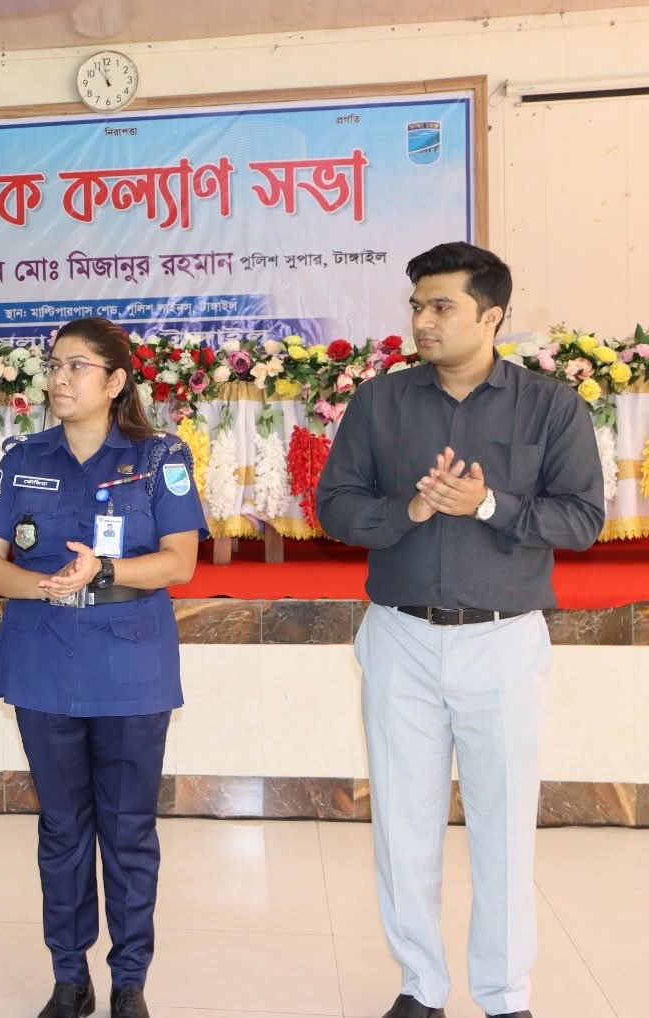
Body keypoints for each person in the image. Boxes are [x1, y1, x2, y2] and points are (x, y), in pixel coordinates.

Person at [316, 242, 605, 1018]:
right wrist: (407, 510)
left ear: (492, 316)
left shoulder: (550, 406)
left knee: (502, 828)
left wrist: (488, 505)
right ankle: (421, 987)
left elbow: (582, 519)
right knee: (403, 824)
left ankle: (505, 995)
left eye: (441, 306)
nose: (423, 320)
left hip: (503, 641)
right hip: (400, 636)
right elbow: (334, 506)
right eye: (417, 305)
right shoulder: (380, 402)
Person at [0, 319, 206, 1018]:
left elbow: (180, 562)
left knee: (127, 830)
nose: (60, 379)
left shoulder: (158, 456)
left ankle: (129, 980)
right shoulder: (22, 457)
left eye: (77, 366)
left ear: (116, 381)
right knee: (63, 829)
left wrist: (102, 573)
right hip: (43, 658)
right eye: (54, 365)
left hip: (130, 664)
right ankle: (69, 976)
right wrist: (43, 586)